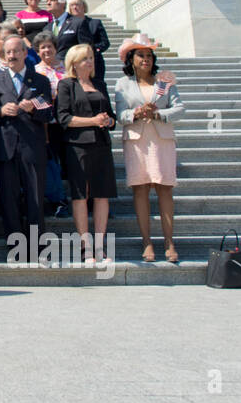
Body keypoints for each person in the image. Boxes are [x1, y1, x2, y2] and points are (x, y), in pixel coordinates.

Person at [114, 34, 184, 263]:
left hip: (161, 138)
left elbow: (179, 108)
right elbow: (120, 114)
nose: (146, 59)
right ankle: (147, 242)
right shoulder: (123, 84)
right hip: (137, 141)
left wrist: (157, 114)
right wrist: (136, 113)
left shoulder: (164, 81)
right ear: (131, 59)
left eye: (148, 55)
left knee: (164, 189)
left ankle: (169, 242)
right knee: (141, 190)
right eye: (140, 55)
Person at [0, 33, 55, 255]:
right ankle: (16, 245)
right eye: (8, 52)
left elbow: (49, 114)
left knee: (35, 197)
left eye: (16, 51)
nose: (12, 55)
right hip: (5, 148)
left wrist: (34, 109)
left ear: (26, 53)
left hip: (32, 147)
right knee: (8, 198)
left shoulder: (40, 81)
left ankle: (37, 245)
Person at [56, 44, 117, 264]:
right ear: (74, 62)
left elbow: (111, 116)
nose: (89, 62)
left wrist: (108, 121)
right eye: (84, 59)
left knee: (102, 194)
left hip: (101, 144)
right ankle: (86, 246)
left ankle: (100, 246)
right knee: (81, 195)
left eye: (91, 58)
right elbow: (63, 118)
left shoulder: (99, 83)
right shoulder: (66, 85)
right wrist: (93, 121)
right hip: (77, 146)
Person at [33, 30, 69, 216]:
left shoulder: (66, 68)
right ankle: (59, 199)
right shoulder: (35, 71)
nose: (47, 50)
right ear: (37, 51)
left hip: (69, 121)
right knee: (52, 163)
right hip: (48, 122)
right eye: (43, 47)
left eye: (50, 46)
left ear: (56, 48)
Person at [65, 0, 111, 81]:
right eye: (72, 5)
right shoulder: (66, 26)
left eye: (77, 4)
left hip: (94, 63)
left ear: (84, 7)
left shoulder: (95, 23)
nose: (75, 7)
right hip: (75, 63)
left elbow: (105, 42)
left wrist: (92, 50)